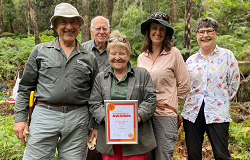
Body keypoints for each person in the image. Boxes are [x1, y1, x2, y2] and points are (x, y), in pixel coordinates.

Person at [13, 3, 98, 159]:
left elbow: (96, 95)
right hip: (44, 115)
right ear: (55, 25)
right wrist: (20, 119)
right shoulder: (40, 51)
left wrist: (96, 125)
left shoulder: (89, 57)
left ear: (79, 25)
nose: (69, 27)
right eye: (63, 22)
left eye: (73, 22)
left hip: (78, 119)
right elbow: (25, 87)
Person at [89, 30, 157, 160]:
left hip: (136, 138)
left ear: (129, 54)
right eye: (113, 53)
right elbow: (94, 103)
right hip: (109, 139)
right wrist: (107, 118)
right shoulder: (100, 78)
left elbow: (151, 99)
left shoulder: (142, 74)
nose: (117, 57)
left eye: (122, 53)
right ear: (108, 55)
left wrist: (137, 116)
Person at [181, 17, 240, 160]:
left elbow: (234, 82)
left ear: (216, 34)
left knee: (222, 155)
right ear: (196, 35)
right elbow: (185, 85)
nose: (205, 35)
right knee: (193, 156)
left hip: (217, 111)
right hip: (192, 112)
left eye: (209, 31)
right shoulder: (191, 60)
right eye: (201, 32)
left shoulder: (227, 55)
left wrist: (221, 99)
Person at [137, 12, 191, 160]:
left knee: (163, 156)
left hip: (166, 116)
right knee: (146, 156)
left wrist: (169, 101)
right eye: (154, 28)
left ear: (166, 33)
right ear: (148, 31)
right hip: (144, 116)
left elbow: (185, 85)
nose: (158, 32)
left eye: (162, 29)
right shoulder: (142, 57)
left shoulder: (174, 54)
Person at [82, 16, 111, 160]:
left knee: (105, 149)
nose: (101, 32)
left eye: (104, 28)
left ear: (109, 30)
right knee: (85, 150)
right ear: (91, 31)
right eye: (97, 28)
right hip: (84, 107)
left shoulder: (115, 50)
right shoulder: (81, 49)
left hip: (108, 108)